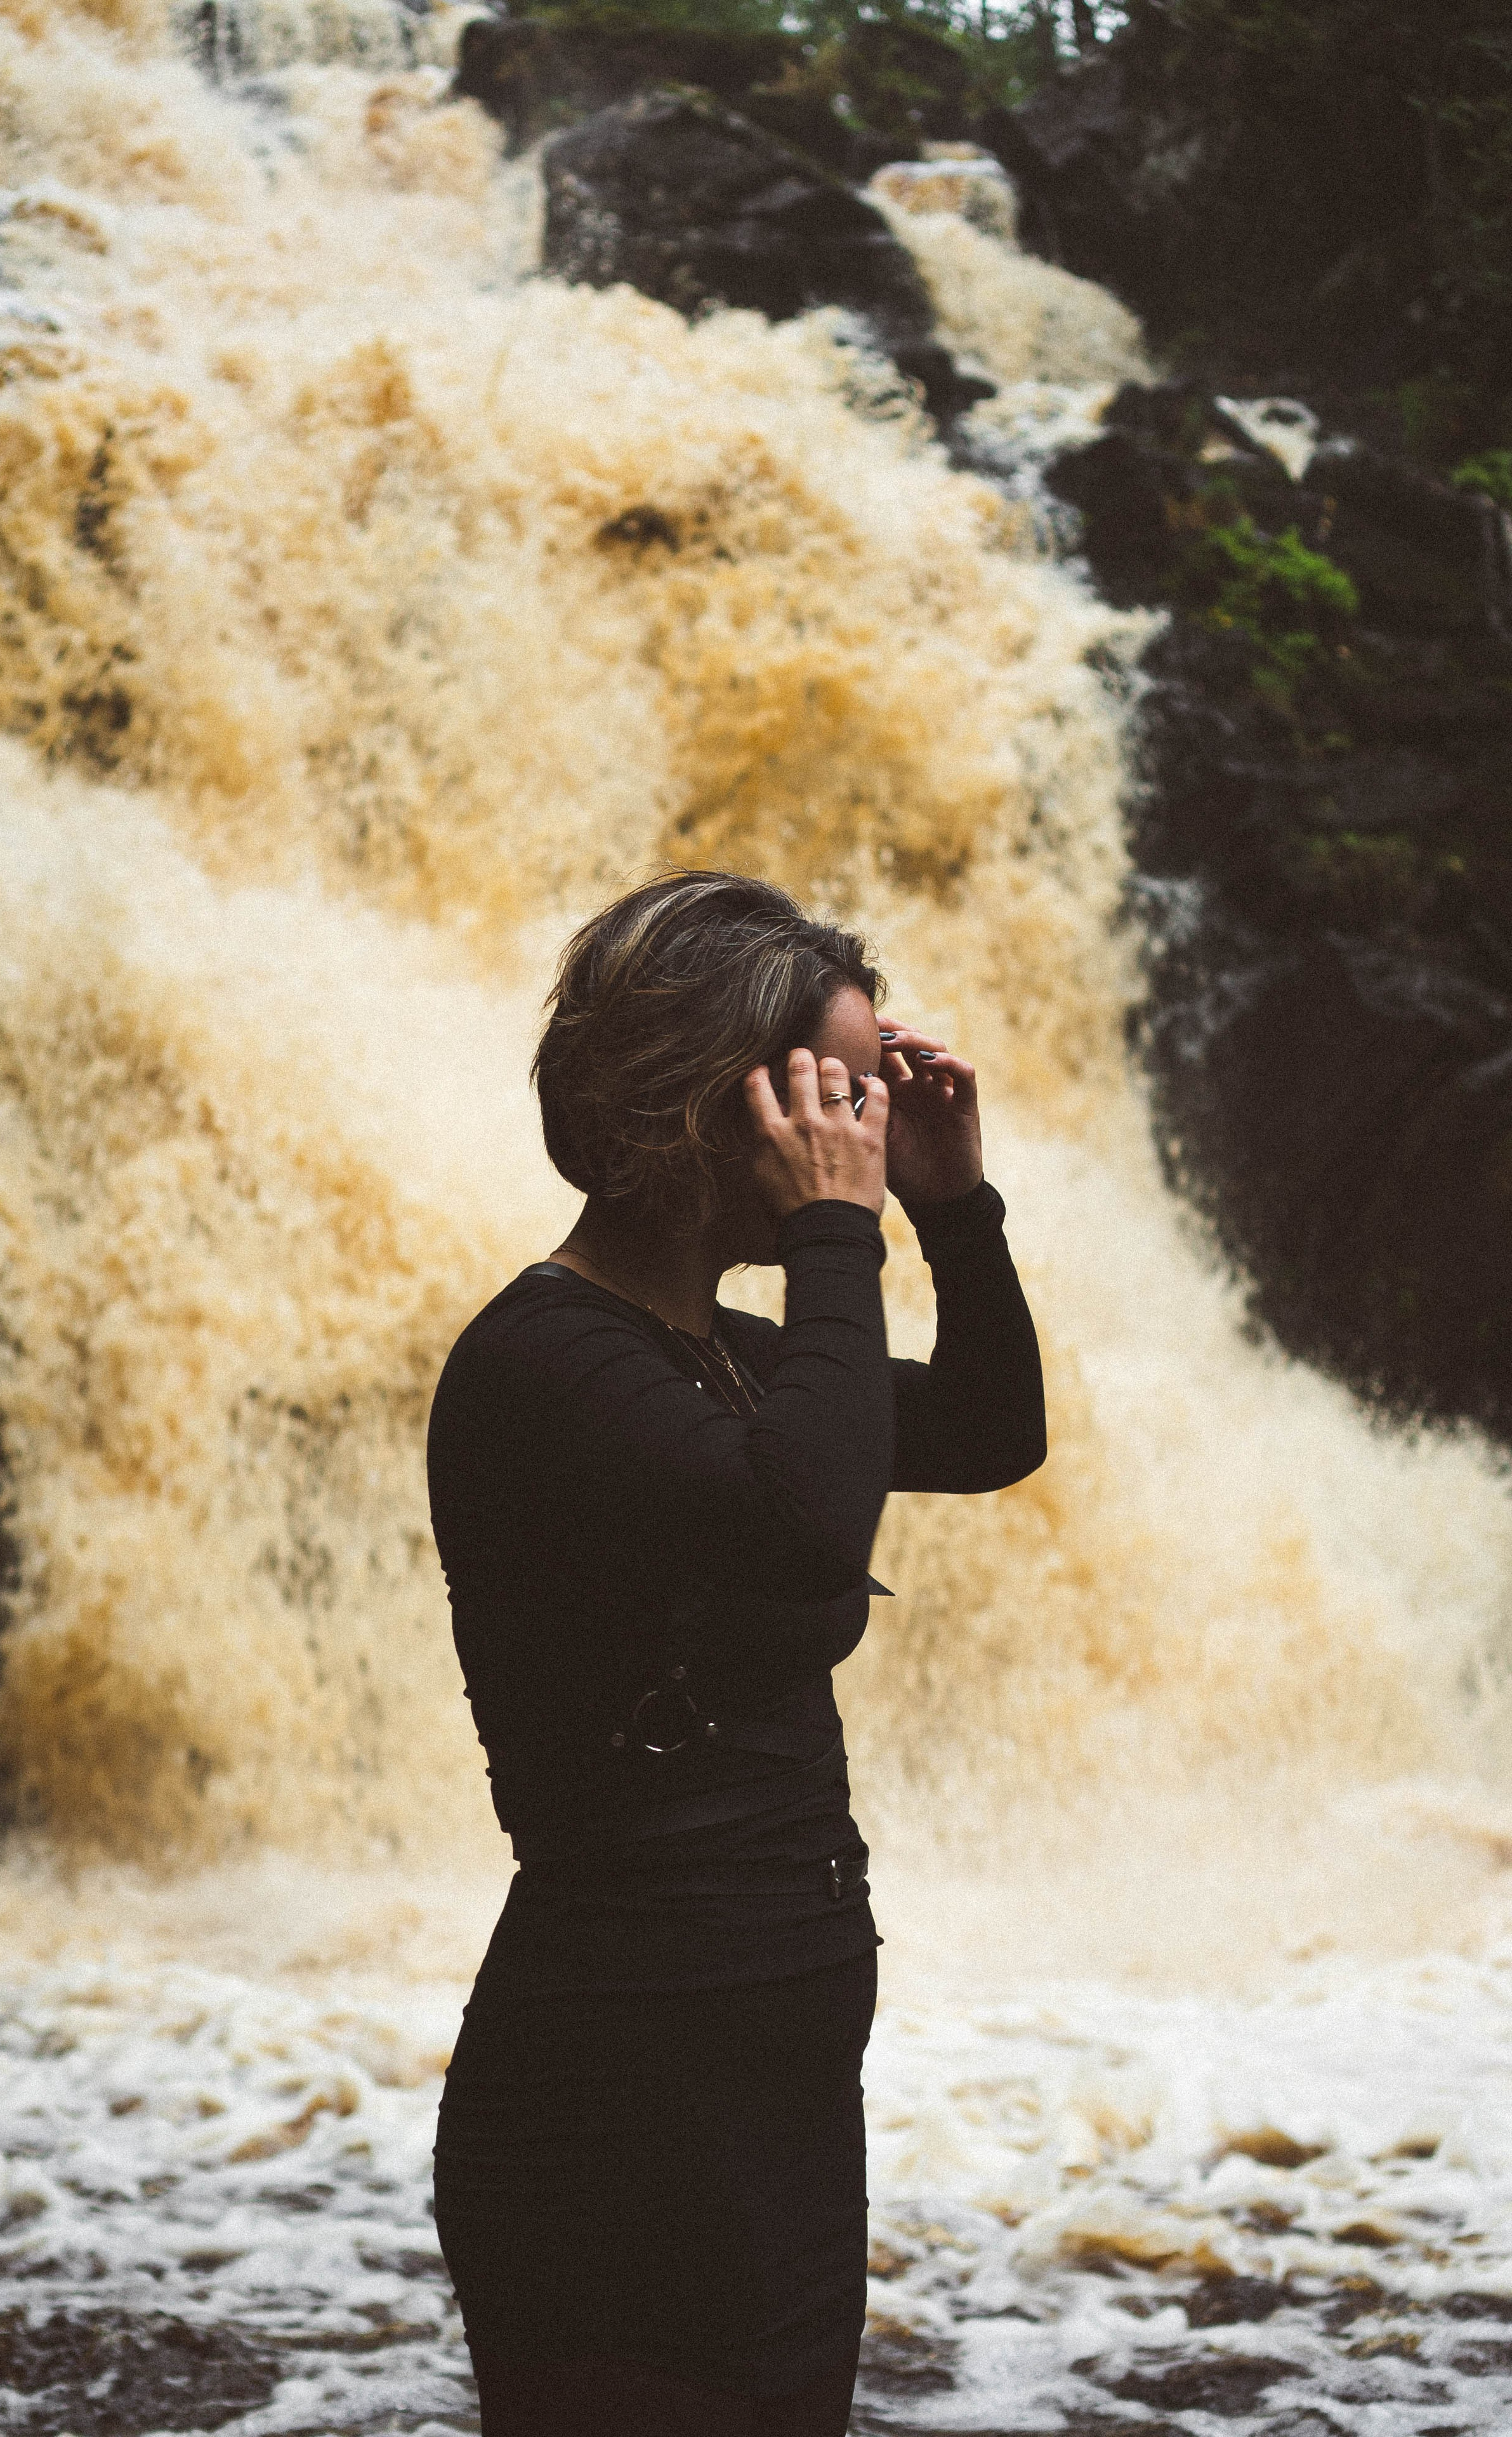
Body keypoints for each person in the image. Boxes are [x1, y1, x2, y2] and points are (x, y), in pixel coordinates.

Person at [428, 871, 1046, 2437]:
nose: (855, 1126)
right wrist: (841, 1232)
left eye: (866, 1097)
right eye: (829, 1097)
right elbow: (802, 1530)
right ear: (708, 1104)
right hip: (621, 2080)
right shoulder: (543, 1364)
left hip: (768, 2061)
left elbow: (984, 1434)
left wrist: (946, 1201)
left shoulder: (724, 1351)